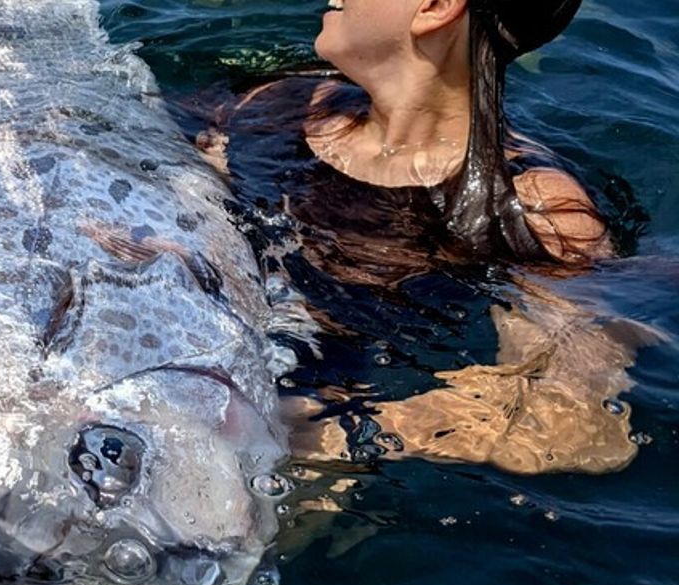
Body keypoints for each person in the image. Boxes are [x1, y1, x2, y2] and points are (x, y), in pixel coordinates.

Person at [193, 0, 654, 474]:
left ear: (436, 7)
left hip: (315, 428)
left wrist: (325, 431)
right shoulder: (271, 104)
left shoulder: (534, 208)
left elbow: (571, 421)